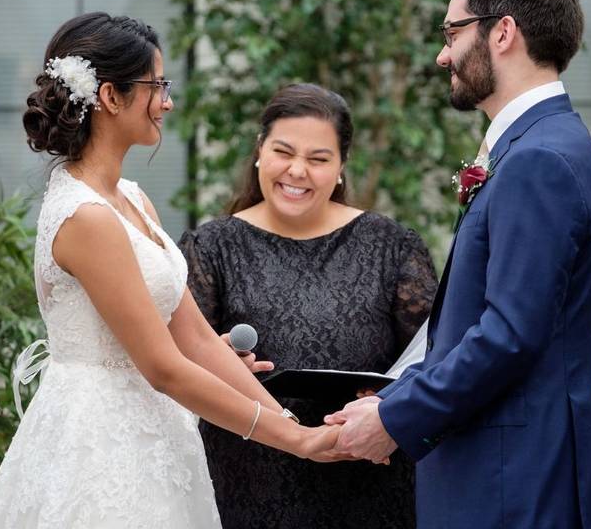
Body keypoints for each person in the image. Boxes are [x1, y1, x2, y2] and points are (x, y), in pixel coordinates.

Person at [0, 13, 342, 528]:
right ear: (109, 96)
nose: (167, 102)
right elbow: (164, 366)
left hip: (157, 437)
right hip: (100, 447)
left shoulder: (130, 198)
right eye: (157, 85)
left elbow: (192, 336)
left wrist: (288, 422)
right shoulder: (86, 217)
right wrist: (297, 442)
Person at [326, 0, 591, 528]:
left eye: (452, 32)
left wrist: (395, 418)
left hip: (514, 481)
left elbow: (509, 336)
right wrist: (392, 397)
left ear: (502, 32)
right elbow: (474, 324)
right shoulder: (547, 144)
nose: (442, 54)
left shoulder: (538, 160)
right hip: (516, 469)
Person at [178, 83, 437, 529]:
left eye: (318, 159)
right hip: (248, 478)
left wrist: (390, 398)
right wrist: (219, 356)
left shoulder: (391, 246)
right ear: (260, 151)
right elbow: (178, 362)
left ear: (340, 168)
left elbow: (433, 356)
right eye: (283, 152)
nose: (297, 171)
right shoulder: (210, 247)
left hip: (366, 474)